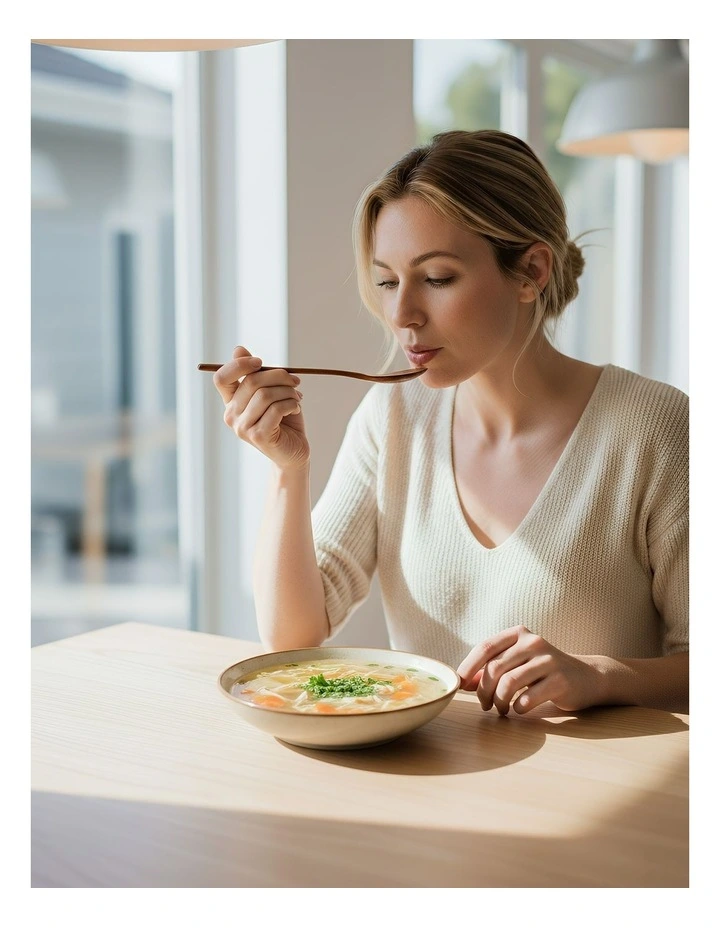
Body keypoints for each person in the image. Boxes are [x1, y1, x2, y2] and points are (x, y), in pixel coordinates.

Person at [213, 129, 688, 716]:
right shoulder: (391, 418)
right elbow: (291, 636)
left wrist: (602, 676)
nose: (402, 314)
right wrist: (288, 469)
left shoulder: (659, 429)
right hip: (423, 789)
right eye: (387, 281)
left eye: (436, 278)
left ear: (531, 271)